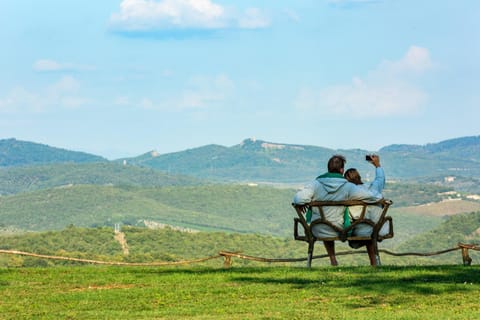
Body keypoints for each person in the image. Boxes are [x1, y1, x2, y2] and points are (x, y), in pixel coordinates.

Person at [293, 154, 384, 266]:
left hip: (317, 228)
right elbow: (372, 197)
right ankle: (374, 263)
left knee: (325, 220)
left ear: (328, 168)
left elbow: (298, 199)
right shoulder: (348, 187)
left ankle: (333, 261)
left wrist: (301, 203)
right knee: (334, 221)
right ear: (342, 170)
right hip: (340, 230)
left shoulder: (315, 184)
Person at [343, 155, 388, 265]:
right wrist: (377, 165)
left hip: (360, 232)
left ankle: (374, 262)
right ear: (359, 177)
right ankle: (374, 263)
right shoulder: (372, 189)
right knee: (368, 225)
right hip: (379, 229)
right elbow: (380, 180)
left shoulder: (349, 194)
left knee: (363, 226)